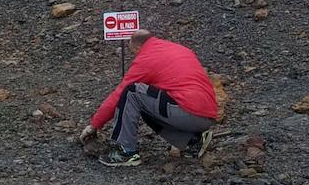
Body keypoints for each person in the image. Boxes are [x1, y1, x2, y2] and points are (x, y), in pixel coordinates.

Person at [78, 31, 219, 167]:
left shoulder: (146, 59)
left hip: (188, 113)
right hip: (207, 114)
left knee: (132, 92)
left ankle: (126, 152)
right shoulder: (178, 49)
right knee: (146, 101)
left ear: (137, 47)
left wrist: (95, 124)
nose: (134, 55)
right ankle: (193, 140)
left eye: (133, 51)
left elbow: (119, 94)